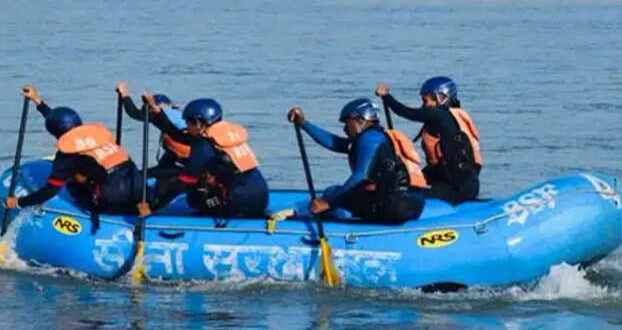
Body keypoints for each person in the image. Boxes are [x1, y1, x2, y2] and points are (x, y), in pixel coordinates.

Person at [3, 85, 143, 231]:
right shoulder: (97, 135)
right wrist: (37, 101)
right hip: (136, 194)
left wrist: (18, 202)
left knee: (69, 179)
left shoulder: (66, 156)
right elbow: (62, 124)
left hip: (110, 202)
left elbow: (49, 191)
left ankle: (91, 214)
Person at [287, 99, 427, 225]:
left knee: (334, 194)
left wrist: (329, 202)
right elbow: (334, 143)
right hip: (410, 204)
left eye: (347, 122)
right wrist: (303, 124)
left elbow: (360, 176)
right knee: (339, 194)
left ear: (360, 120)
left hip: (394, 205)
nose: (345, 128)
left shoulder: (370, 139)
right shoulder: (375, 137)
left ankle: (310, 224)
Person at [142, 95, 268, 219]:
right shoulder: (222, 134)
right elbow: (179, 135)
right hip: (261, 196)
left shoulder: (204, 147)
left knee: (194, 197)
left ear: (198, 123)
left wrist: (153, 207)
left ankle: (217, 214)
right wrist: (157, 113)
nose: (185, 125)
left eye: (188, 122)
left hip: (239, 202)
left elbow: (184, 182)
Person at [375, 76, 480, 204]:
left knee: (410, 196)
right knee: (407, 182)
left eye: (426, 100)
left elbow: (406, 112)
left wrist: (386, 97)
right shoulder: (450, 116)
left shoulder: (439, 115)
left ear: (442, 98)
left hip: (458, 185)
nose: (424, 104)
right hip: (454, 178)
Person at [116, 81, 190, 213]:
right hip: (177, 156)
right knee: (162, 166)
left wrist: (124, 95)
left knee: (146, 174)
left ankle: (152, 205)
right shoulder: (176, 113)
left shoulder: (164, 114)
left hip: (185, 163)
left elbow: (134, 113)